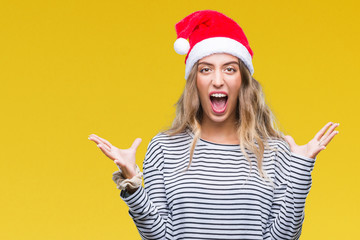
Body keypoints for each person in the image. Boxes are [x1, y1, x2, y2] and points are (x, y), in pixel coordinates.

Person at [89, 10, 339, 240]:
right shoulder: (163, 148)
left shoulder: (275, 152)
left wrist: (300, 170)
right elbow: (159, 237)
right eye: (206, 69)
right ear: (194, 81)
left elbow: (284, 237)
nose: (217, 80)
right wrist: (132, 183)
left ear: (242, 81)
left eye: (229, 69)